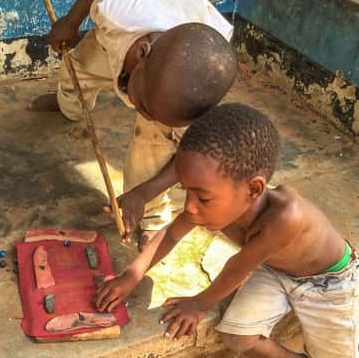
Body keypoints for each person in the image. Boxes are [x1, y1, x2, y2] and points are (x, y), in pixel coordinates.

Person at [95, 103, 358, 358]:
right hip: (278, 270)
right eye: (186, 192)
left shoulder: (286, 218)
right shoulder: (224, 201)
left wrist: (200, 303)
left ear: (253, 189)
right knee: (236, 335)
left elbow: (238, 267)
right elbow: (172, 233)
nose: (190, 207)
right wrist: (132, 276)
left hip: (332, 284)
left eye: (203, 198)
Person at [29, 0, 238, 249]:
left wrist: (144, 192)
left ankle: (152, 216)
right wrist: (71, 21)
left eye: (152, 113)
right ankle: (69, 104)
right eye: (142, 105)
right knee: (77, 68)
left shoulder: (202, 79)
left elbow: (193, 153)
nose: (141, 114)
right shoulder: (118, 10)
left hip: (172, 48)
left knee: (153, 142)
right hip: (118, 42)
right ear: (142, 53)